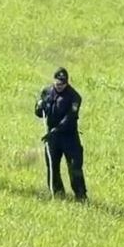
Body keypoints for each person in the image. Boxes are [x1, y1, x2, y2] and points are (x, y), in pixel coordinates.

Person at [35, 67, 87, 201]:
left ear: (67, 83)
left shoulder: (74, 97)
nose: (59, 87)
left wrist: (56, 130)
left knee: (75, 167)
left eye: (62, 84)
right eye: (57, 84)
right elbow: (40, 112)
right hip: (52, 137)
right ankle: (58, 195)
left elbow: (70, 117)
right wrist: (39, 107)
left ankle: (80, 196)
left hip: (69, 137)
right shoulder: (46, 92)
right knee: (52, 166)